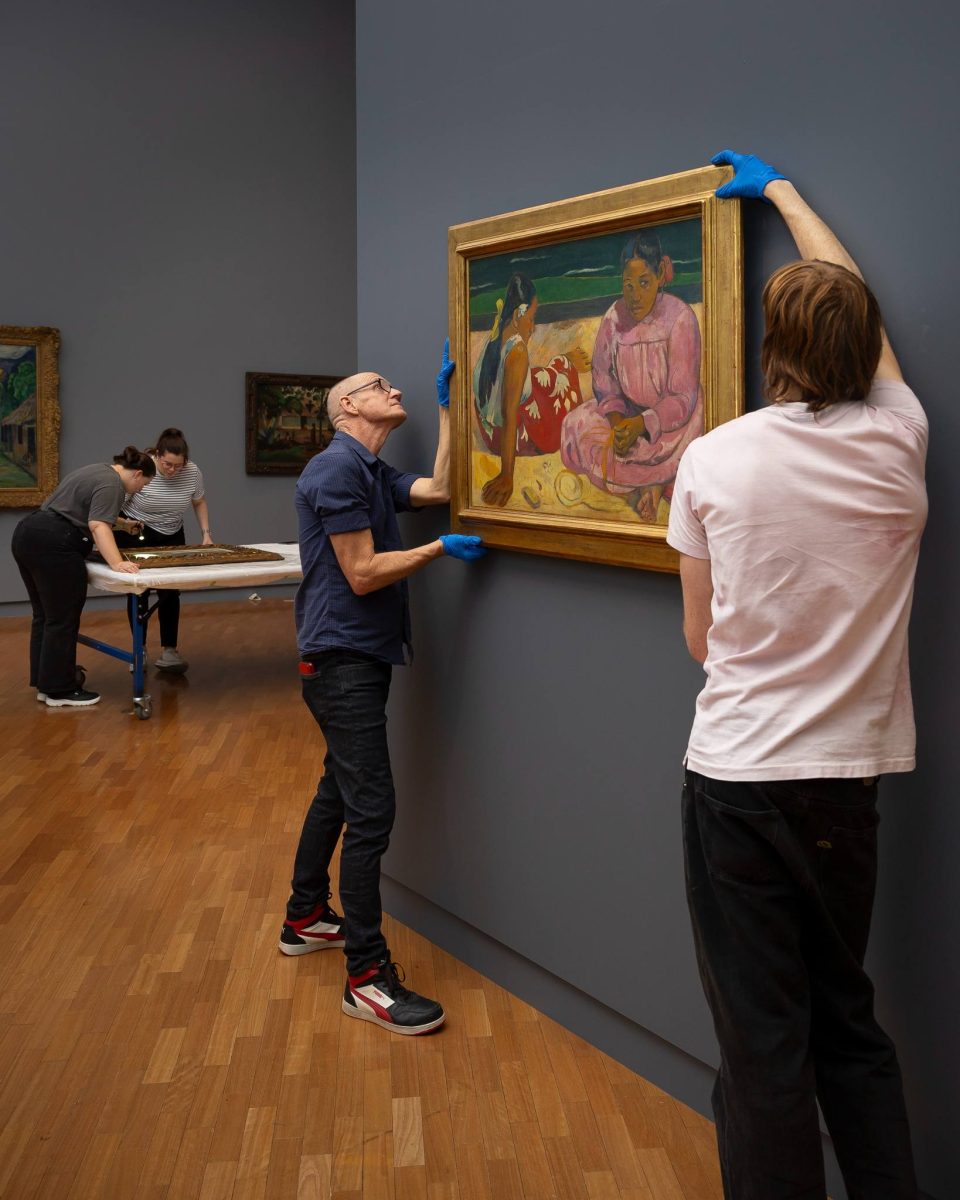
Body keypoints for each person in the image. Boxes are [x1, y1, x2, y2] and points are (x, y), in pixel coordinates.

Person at [667, 151, 925, 1199]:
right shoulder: (900, 438)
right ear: (865, 348)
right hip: (847, 784)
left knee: (764, 1052)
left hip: (736, 782)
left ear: (769, 348)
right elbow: (855, 308)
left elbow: (699, 639)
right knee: (848, 1024)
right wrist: (787, 196)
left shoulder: (715, 458)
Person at [278, 342, 485, 1036]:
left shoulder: (368, 467)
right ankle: (365, 979)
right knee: (372, 811)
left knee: (340, 788)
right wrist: (434, 551)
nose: (393, 388)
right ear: (348, 408)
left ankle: (306, 916)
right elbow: (363, 572)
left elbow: (440, 490)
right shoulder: (335, 469)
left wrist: (451, 410)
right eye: (379, 385)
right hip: (339, 661)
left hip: (356, 657)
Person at [561, 230, 703, 521]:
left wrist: (642, 424)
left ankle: (653, 484)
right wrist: (618, 423)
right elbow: (604, 381)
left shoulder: (680, 318)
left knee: (687, 450)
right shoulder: (614, 317)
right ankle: (644, 487)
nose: (635, 295)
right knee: (576, 426)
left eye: (644, 283)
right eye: (628, 285)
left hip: (670, 422)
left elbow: (682, 397)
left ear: (661, 274)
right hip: (626, 414)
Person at [12, 447, 154, 707]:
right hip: (56, 544)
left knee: (45, 617)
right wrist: (118, 562)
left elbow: (83, 510)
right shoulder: (115, 486)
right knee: (62, 619)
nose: (140, 491)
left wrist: (123, 524)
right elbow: (98, 525)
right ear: (138, 474)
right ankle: (60, 690)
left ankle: (46, 684)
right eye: (143, 485)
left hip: (28, 534)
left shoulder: (97, 470)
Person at [474, 272, 589, 506]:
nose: (533, 327)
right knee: (559, 379)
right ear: (518, 315)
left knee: (538, 377)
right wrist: (507, 475)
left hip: (489, 429)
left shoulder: (495, 336)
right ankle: (567, 361)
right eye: (532, 318)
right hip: (511, 438)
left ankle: (564, 361)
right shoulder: (517, 352)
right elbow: (509, 416)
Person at [113, 427, 213, 673]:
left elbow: (198, 501)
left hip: (172, 533)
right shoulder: (144, 470)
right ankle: (140, 649)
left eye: (178, 466)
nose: (172, 470)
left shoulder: (192, 472)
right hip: (136, 532)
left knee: (170, 591)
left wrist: (206, 534)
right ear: (157, 455)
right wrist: (126, 526)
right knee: (139, 592)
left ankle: (170, 650)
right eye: (167, 464)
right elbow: (117, 507)